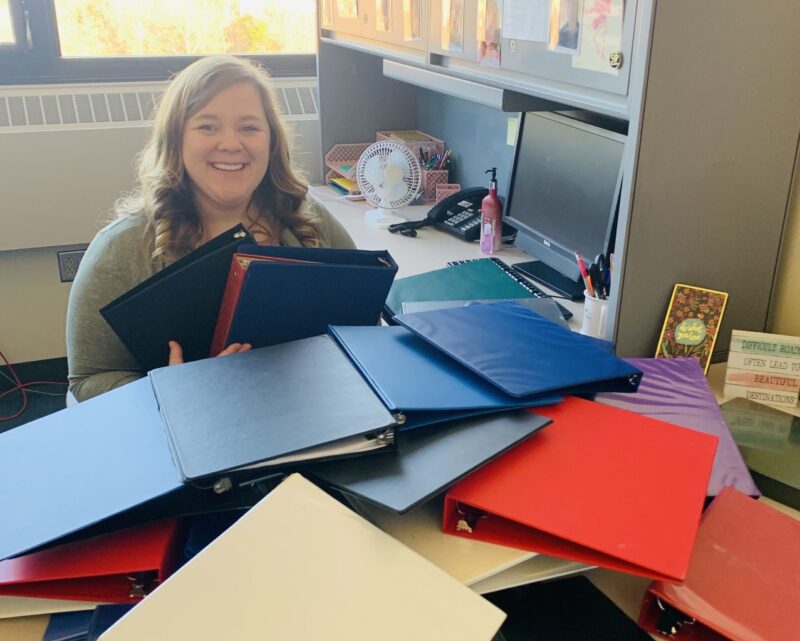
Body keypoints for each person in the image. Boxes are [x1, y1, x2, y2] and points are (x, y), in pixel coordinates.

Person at [66, 55, 355, 403]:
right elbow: (87, 382)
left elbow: (362, 327)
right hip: (182, 434)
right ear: (176, 140)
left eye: (249, 127)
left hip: (310, 418)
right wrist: (170, 392)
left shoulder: (309, 220)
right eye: (207, 126)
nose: (231, 143)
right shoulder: (121, 249)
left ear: (272, 140)